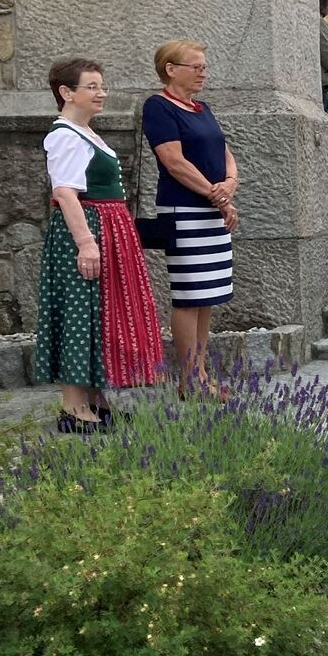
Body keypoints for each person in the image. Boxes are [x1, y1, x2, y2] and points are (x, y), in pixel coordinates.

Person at [35, 58, 166, 431]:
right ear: (66, 92)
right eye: (91, 86)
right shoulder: (64, 135)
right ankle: (73, 408)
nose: (101, 93)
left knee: (98, 313)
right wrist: (86, 243)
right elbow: (65, 193)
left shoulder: (85, 132)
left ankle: (96, 400)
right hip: (89, 230)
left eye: (101, 86)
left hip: (106, 229)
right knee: (79, 311)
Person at [142, 39, 239, 395]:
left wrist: (229, 185)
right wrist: (217, 194)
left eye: (204, 67)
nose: (203, 73)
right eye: (195, 67)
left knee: (207, 294)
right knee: (189, 294)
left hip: (212, 210)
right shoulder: (158, 107)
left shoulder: (202, 108)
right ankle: (190, 378)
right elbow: (174, 161)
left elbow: (225, 153)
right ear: (170, 69)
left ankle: (200, 374)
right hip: (184, 210)